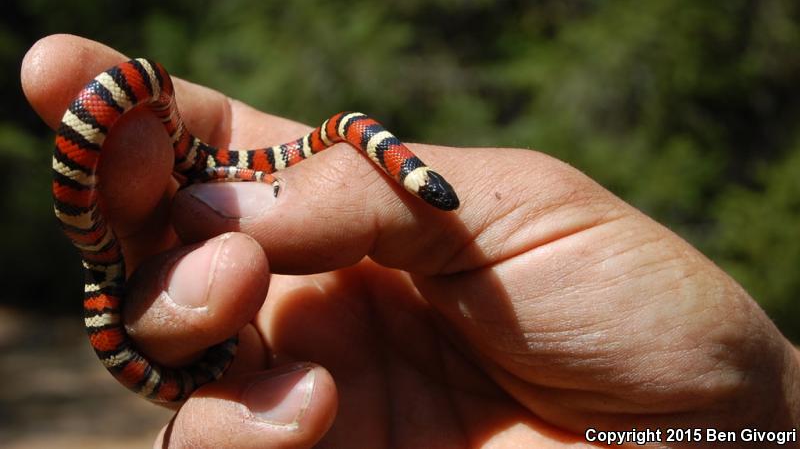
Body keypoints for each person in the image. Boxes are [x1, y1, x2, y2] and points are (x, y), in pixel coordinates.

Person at [22, 34, 799, 448]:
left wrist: (764, 414)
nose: (428, 193)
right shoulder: (341, 140)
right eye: (420, 180)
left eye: (420, 184)